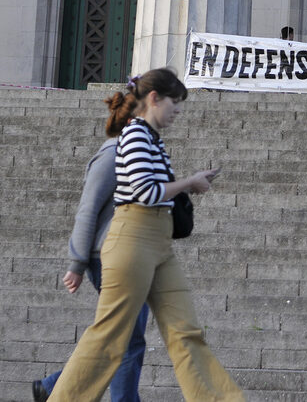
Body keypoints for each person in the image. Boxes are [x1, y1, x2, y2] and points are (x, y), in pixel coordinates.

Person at [48, 68, 244, 402]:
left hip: (158, 243)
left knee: (185, 331)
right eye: (174, 102)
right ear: (154, 98)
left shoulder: (152, 139)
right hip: (132, 239)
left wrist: (191, 183)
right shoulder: (135, 134)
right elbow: (145, 191)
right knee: (110, 337)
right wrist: (190, 182)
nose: (178, 110)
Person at [32, 109, 149, 402]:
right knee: (127, 341)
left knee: (116, 338)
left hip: (134, 257)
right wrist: (77, 262)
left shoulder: (138, 157)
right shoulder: (113, 155)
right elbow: (88, 209)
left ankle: (52, 387)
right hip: (111, 259)